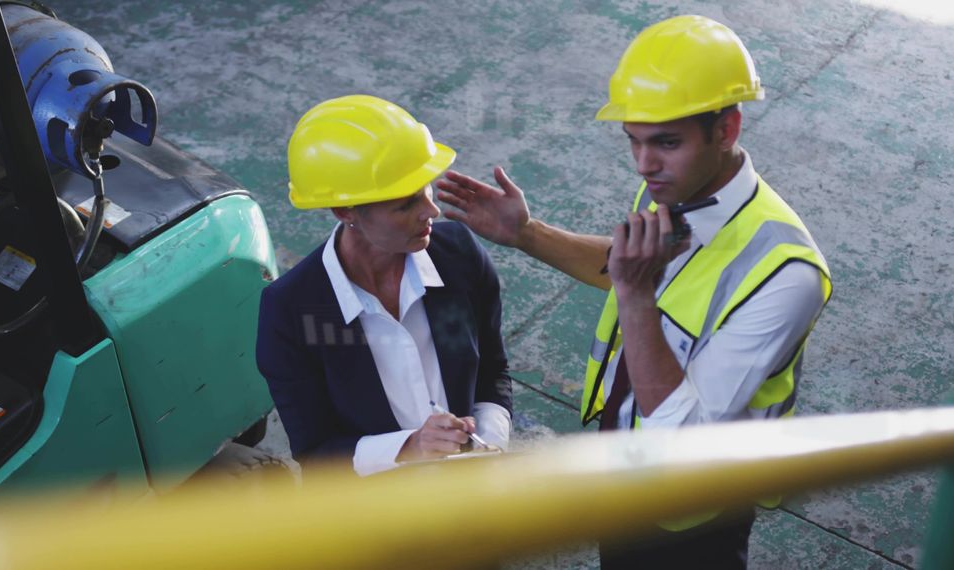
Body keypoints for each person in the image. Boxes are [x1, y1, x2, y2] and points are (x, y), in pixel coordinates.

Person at [436, 15, 831, 568]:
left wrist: (636, 295)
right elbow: (631, 267)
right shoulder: (679, 184)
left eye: (666, 142)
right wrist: (527, 233)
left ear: (727, 129)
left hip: (689, 512)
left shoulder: (788, 275)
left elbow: (683, 435)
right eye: (634, 141)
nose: (645, 165)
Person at [257, 95, 512, 477]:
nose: (432, 210)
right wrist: (411, 447)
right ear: (346, 212)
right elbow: (315, 451)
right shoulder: (292, 311)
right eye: (405, 204)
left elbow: (492, 370)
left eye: (426, 190)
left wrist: (489, 443)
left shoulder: (459, 256)